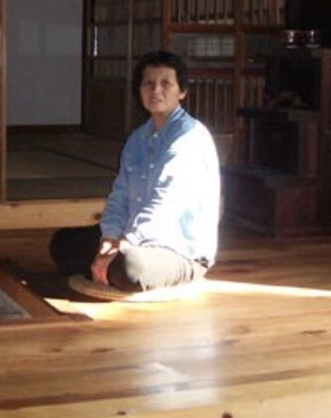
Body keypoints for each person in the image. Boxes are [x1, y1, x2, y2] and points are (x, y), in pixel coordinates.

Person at [49, 50, 221, 293]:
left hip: (178, 249)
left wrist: (125, 244)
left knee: (130, 267)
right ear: (139, 90)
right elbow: (119, 195)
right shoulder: (137, 138)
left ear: (182, 92)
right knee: (63, 244)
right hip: (132, 235)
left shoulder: (188, 137)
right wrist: (109, 238)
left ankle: (112, 268)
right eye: (148, 84)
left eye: (166, 83)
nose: (156, 90)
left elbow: (164, 204)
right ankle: (108, 267)